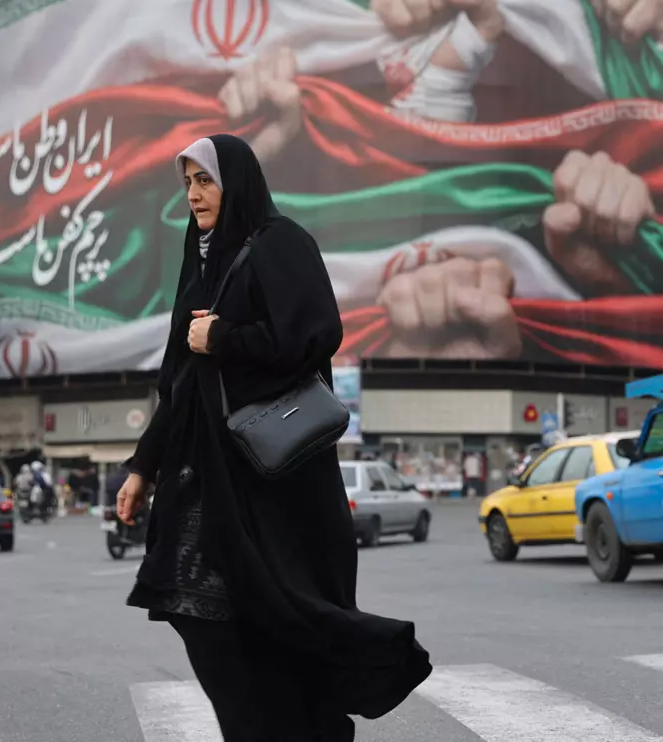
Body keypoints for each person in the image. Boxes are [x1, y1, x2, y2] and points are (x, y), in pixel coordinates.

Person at [115, 133, 432, 741]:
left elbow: (314, 335)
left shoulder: (279, 244)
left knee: (275, 623)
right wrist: (142, 468)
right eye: (186, 183)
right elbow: (179, 385)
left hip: (272, 488)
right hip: (205, 482)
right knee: (200, 616)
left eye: (204, 180)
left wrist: (225, 339)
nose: (193, 194)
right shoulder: (199, 268)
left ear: (236, 181)